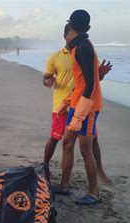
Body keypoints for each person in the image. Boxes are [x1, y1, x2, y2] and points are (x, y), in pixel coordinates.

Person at [42, 24, 112, 188]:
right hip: (63, 105)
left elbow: (91, 82)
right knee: (57, 138)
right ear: (66, 35)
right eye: (74, 32)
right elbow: (46, 78)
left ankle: (99, 172)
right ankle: (45, 165)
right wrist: (48, 81)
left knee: (91, 141)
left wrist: (99, 74)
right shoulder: (56, 56)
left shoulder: (85, 50)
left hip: (84, 105)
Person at [58, 10, 105, 205]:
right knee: (67, 144)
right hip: (77, 104)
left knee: (85, 149)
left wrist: (79, 115)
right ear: (87, 28)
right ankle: (64, 185)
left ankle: (93, 193)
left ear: (70, 26)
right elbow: (82, 81)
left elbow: (91, 84)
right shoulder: (77, 47)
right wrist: (68, 102)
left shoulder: (83, 47)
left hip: (87, 107)